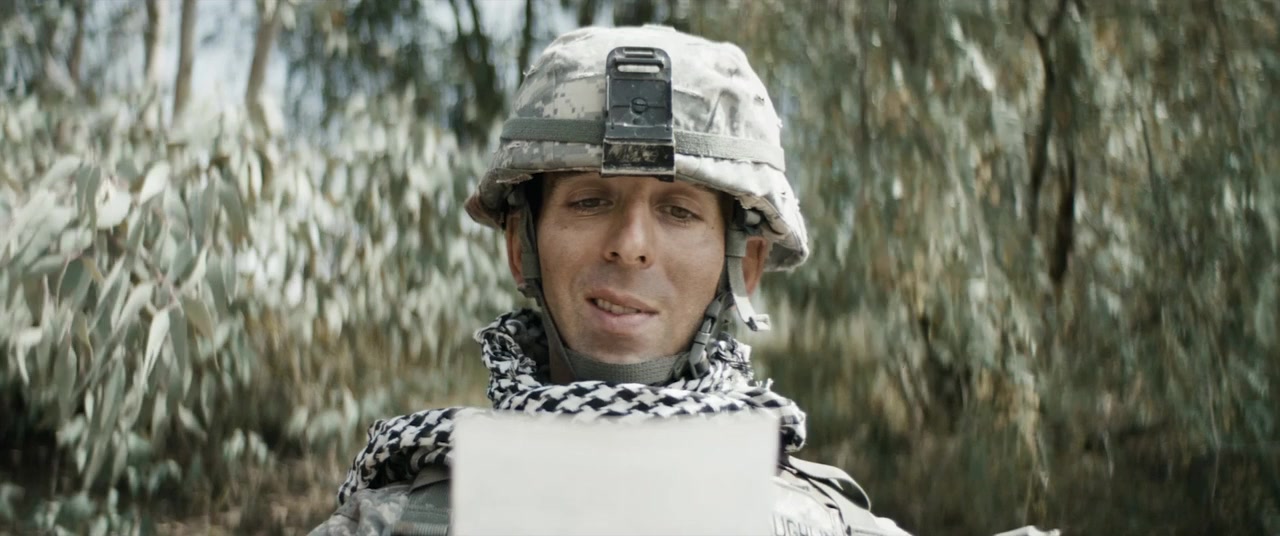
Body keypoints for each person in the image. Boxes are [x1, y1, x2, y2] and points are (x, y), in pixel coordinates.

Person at [309, 25, 910, 536]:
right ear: (521, 245)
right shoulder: (385, 523)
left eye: (678, 211)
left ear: (745, 264)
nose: (630, 244)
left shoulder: (829, 527)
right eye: (591, 201)